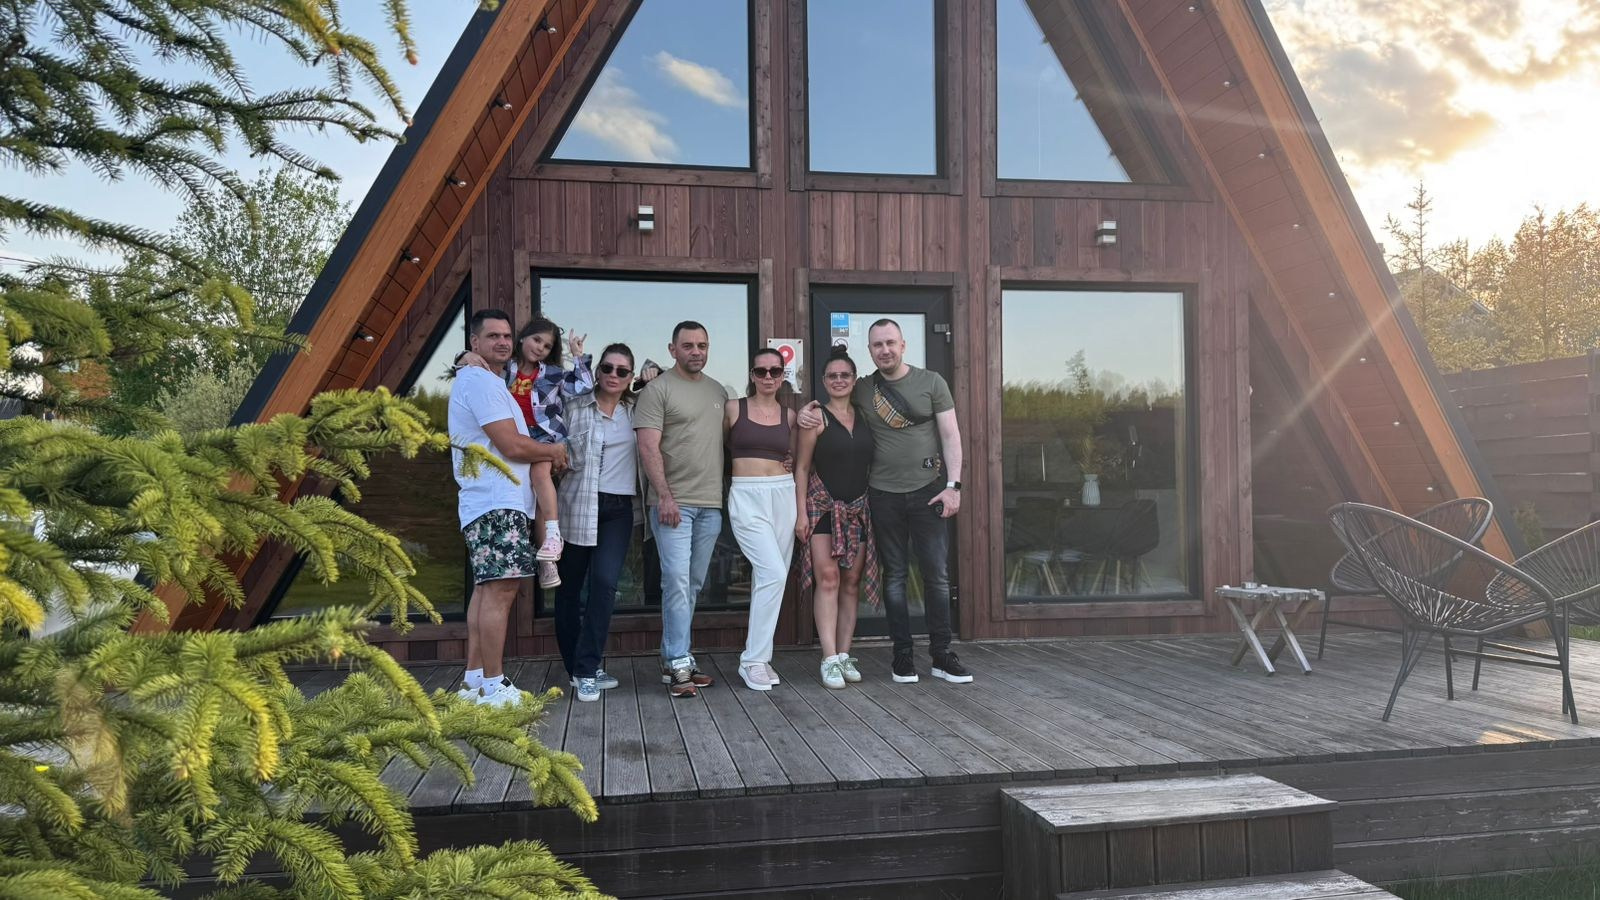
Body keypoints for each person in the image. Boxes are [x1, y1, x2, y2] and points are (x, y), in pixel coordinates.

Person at [799, 319, 971, 684]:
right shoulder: (863, 388)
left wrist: (953, 486)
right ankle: (902, 657)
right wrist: (802, 413)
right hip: (881, 496)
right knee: (894, 577)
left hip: (928, 492)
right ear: (870, 351)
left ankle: (941, 655)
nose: (885, 350)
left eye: (890, 342)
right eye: (877, 345)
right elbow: (828, 410)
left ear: (903, 345)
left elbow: (950, 434)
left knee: (937, 577)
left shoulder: (932, 383)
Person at [449, 309, 569, 706]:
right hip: (496, 501)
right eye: (492, 336)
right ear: (475, 342)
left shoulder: (487, 379)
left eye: (505, 335)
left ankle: (474, 682)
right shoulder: (481, 382)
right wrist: (553, 451)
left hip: (489, 501)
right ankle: (494, 684)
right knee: (501, 592)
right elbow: (512, 445)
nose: (501, 342)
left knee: (487, 591)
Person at [635, 321, 728, 698]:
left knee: (691, 584)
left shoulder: (718, 391)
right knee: (675, 581)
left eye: (702, 345)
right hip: (673, 504)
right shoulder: (657, 390)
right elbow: (647, 447)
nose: (696, 351)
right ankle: (678, 662)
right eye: (688, 345)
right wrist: (665, 496)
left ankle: (675, 657)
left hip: (710, 504)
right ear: (672, 349)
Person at [551, 343, 639, 702]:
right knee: (569, 589)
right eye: (608, 368)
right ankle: (576, 667)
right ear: (597, 370)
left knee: (604, 583)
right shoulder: (574, 405)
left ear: (631, 377)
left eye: (623, 371)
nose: (614, 375)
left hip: (619, 508)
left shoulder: (637, 409)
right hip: (577, 503)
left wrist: (655, 374)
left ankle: (587, 668)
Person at [794, 346, 879, 689]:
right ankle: (828, 658)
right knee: (828, 579)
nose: (839, 380)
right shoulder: (815, 418)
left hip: (857, 510)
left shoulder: (866, 416)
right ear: (824, 381)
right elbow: (801, 468)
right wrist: (801, 514)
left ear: (854, 380)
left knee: (851, 581)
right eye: (833, 376)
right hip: (823, 508)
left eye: (845, 375)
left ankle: (845, 654)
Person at [726, 348, 799, 691]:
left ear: (783, 375)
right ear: (752, 375)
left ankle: (761, 657)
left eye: (775, 371)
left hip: (783, 493)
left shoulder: (790, 416)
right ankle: (752, 660)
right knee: (773, 573)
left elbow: (795, 455)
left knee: (769, 579)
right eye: (761, 371)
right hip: (746, 495)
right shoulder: (733, 408)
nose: (768, 377)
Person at [506, 317, 593, 590]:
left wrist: (578, 356)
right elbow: (473, 368)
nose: (540, 348)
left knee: (540, 474)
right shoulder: (504, 369)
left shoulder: (552, 374)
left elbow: (584, 386)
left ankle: (553, 540)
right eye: (536, 340)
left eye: (546, 346)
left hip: (546, 437)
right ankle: (545, 558)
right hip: (514, 438)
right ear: (523, 337)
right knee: (532, 499)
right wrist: (465, 357)